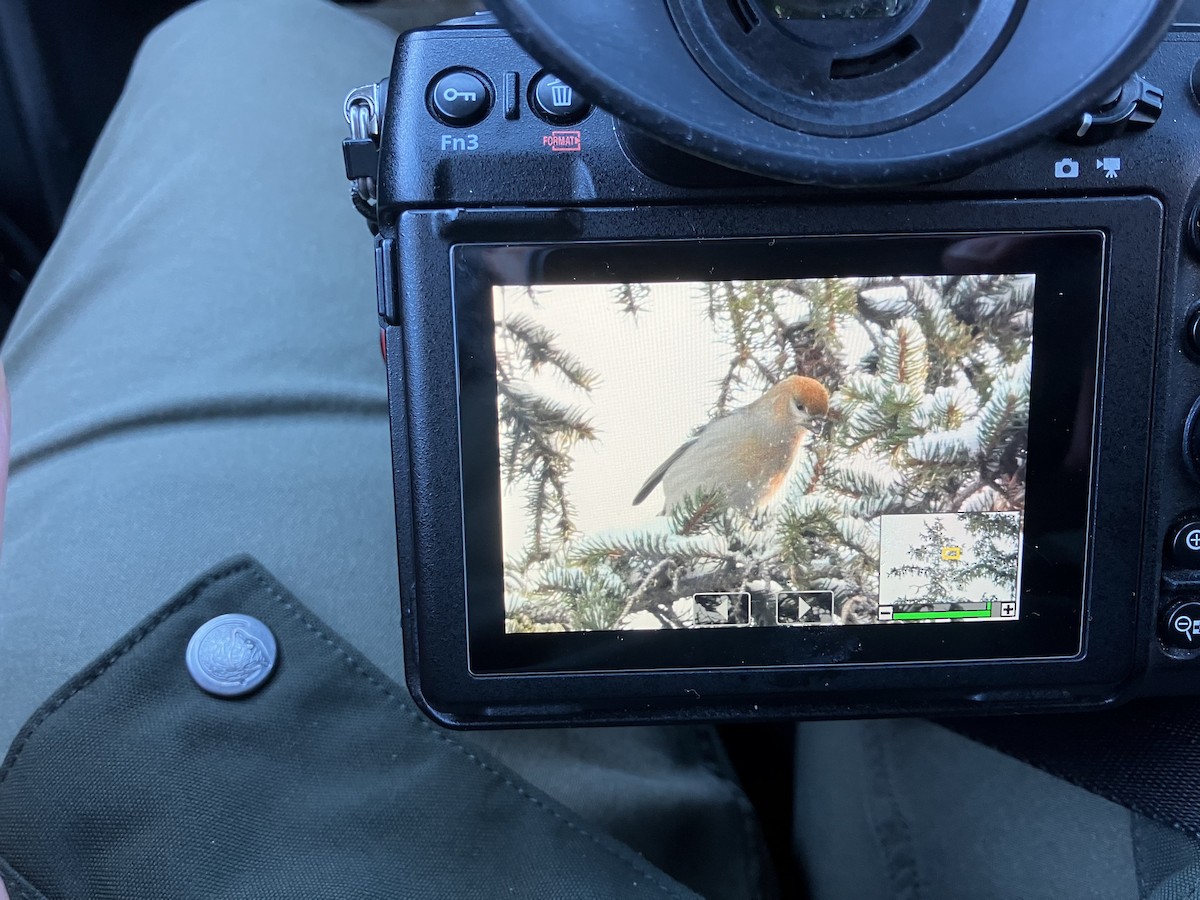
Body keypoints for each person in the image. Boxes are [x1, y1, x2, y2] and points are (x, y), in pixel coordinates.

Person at [1, 2, 1198, 898]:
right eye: (805, 407)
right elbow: (694, 466)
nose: (812, 422)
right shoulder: (751, 428)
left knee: (231, 35)